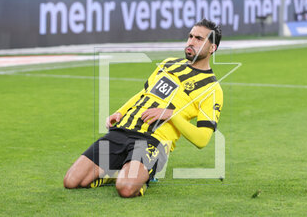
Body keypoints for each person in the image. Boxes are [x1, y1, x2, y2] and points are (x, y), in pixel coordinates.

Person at [63, 19, 223, 198]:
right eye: (190, 36)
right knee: (71, 181)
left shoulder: (212, 90)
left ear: (212, 48)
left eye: (199, 39)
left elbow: (202, 139)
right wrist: (120, 111)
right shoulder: (169, 64)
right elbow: (144, 92)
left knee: (125, 189)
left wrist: (171, 115)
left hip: (152, 140)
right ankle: (118, 172)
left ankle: (144, 175)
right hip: (123, 130)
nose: (191, 42)